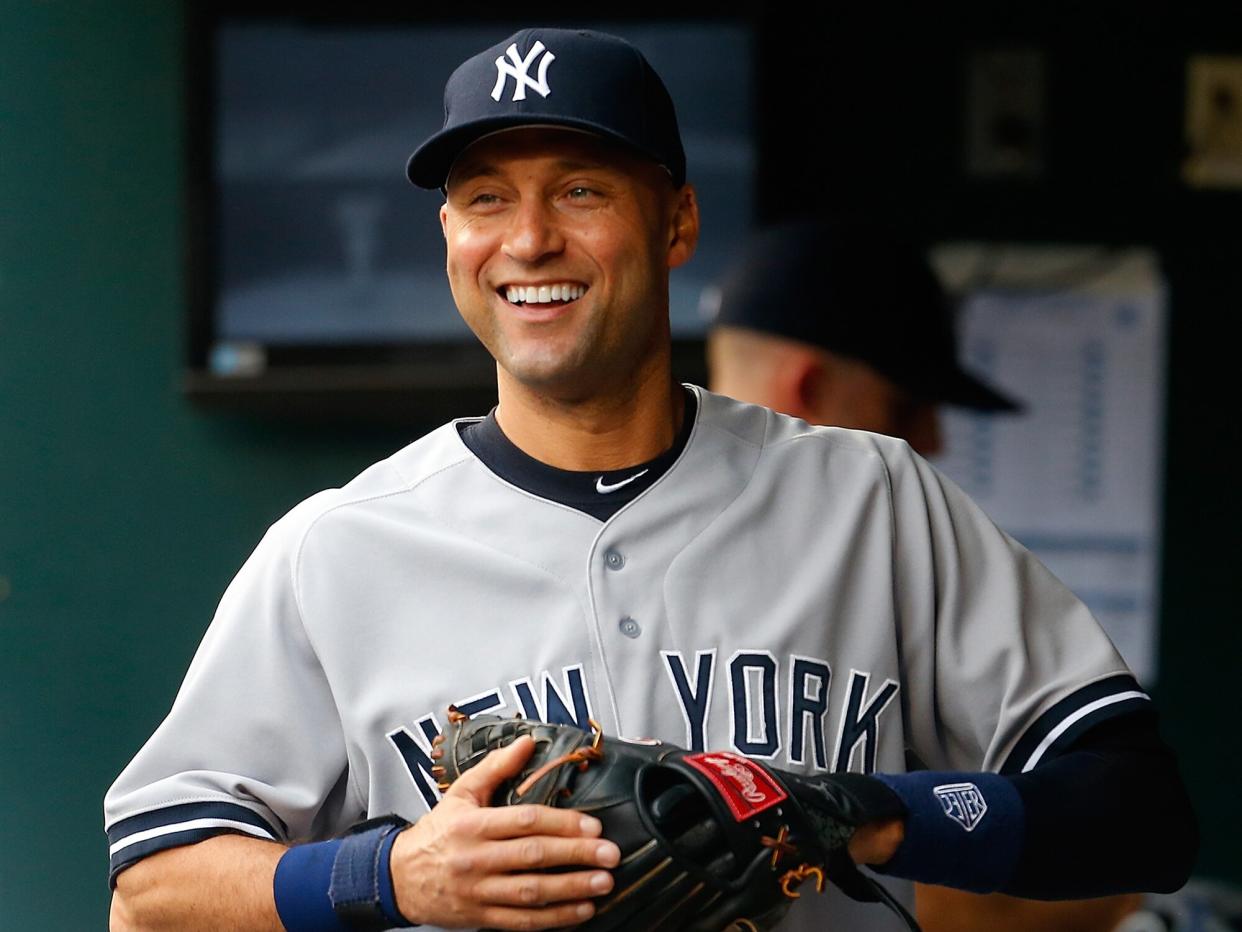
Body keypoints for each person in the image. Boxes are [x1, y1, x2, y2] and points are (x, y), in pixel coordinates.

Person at [105, 27, 1196, 932]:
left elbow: (1138, 810)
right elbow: (150, 892)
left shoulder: (877, 501)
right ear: (448, 234)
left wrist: (859, 812)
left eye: (579, 189)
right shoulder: (335, 549)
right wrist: (390, 874)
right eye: (486, 198)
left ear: (676, 220)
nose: (529, 239)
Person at [704, 219, 1159, 932]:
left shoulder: (901, 566)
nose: (937, 439)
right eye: (907, 407)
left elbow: (1127, 824)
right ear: (810, 388)